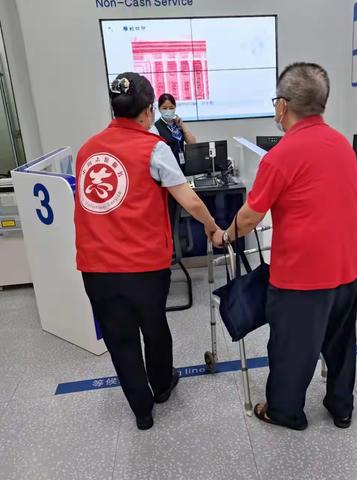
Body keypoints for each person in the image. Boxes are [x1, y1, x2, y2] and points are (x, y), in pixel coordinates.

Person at [213, 63, 357, 431]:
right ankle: (341, 407)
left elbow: (249, 217)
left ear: (282, 105)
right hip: (347, 268)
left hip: (303, 277)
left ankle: (285, 411)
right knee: (341, 342)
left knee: (291, 349)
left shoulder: (282, 154)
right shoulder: (342, 144)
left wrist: (223, 235)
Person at [74, 72, 219, 431]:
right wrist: (212, 226)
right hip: (143, 265)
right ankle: (162, 386)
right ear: (149, 110)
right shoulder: (154, 148)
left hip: (96, 267)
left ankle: (142, 412)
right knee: (154, 327)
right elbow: (189, 199)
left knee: (119, 338)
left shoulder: (87, 149)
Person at [150, 93, 196, 167]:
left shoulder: (177, 124)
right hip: (168, 167)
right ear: (159, 109)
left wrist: (183, 127)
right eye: (164, 108)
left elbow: (193, 144)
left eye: (171, 108)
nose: (168, 110)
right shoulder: (156, 127)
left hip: (182, 165)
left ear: (175, 107)